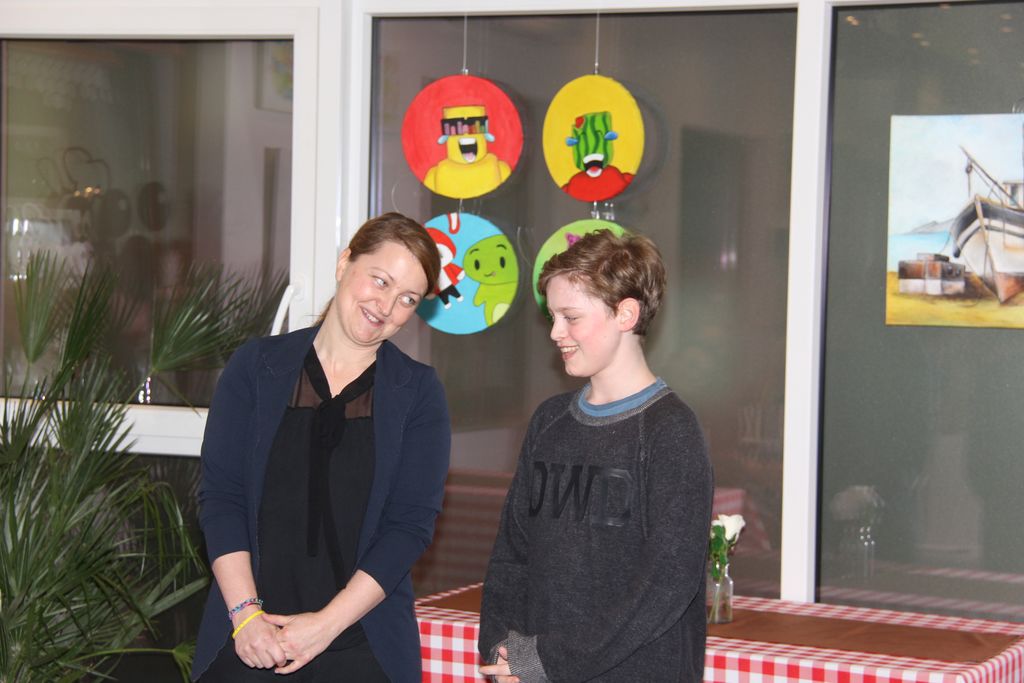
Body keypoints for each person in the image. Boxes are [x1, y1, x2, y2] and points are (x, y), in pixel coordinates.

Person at [192, 212, 451, 683]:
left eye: (407, 299)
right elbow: (222, 497)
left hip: (362, 644)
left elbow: (409, 527)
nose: (386, 306)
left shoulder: (419, 393)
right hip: (247, 635)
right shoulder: (256, 367)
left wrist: (324, 627)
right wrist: (246, 617)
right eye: (380, 280)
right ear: (344, 262)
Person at [478, 229, 713, 682]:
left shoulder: (670, 430)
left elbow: (665, 585)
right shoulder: (549, 421)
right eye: (552, 316)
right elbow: (511, 554)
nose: (555, 333)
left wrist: (548, 660)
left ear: (626, 314)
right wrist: (502, 647)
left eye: (571, 317)